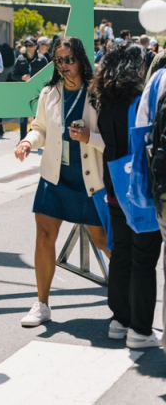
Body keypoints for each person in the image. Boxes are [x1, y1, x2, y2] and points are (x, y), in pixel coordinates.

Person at [14, 36, 109, 327]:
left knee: (104, 241)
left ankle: (126, 300)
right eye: (59, 60)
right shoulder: (49, 93)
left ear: (81, 60)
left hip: (88, 179)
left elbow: (113, 141)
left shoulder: (98, 94)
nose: (64, 65)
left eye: (69, 59)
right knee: (44, 237)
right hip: (54, 177)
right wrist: (28, 142)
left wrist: (88, 138)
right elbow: (40, 128)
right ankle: (42, 304)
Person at [89, 40, 163, 348]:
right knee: (144, 257)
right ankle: (140, 329)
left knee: (121, 253)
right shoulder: (139, 98)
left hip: (114, 186)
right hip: (139, 189)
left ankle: (119, 320)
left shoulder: (103, 99)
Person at [11, 36, 48, 140]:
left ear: (36, 46)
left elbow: (48, 76)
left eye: (30, 45)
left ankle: (35, 138)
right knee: (23, 118)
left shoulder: (42, 59)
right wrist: (22, 77)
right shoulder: (20, 59)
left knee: (38, 117)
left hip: (38, 92)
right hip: (24, 92)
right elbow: (13, 75)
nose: (28, 47)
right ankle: (22, 140)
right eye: (26, 45)